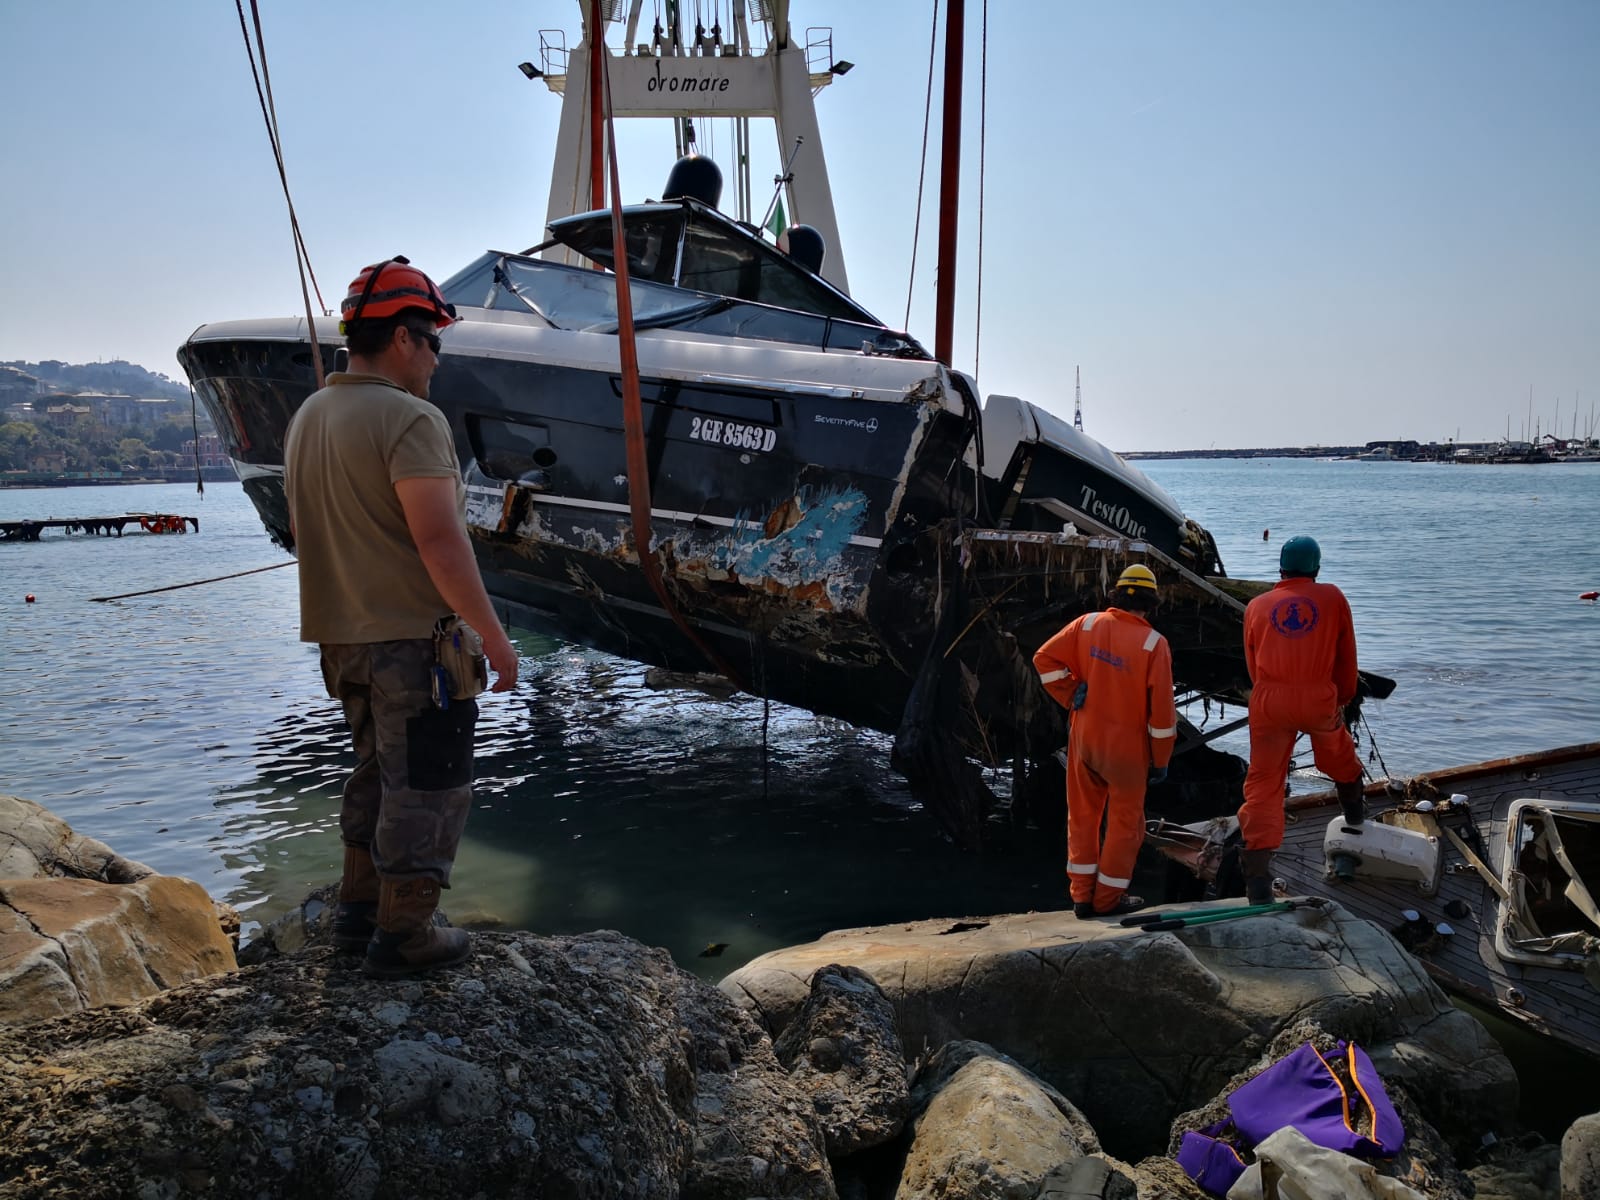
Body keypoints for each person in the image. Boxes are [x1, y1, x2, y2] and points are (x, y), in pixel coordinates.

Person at [284, 256, 520, 978]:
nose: (438, 362)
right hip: (411, 642)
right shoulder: (411, 419)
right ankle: (407, 933)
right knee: (430, 780)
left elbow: (304, 530)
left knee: (375, 773)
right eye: (435, 343)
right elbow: (440, 544)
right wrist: (495, 639)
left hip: (341, 638)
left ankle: (358, 914)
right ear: (404, 339)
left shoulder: (309, 416)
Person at [1034, 564, 1178, 918]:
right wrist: (1161, 760)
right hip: (1127, 751)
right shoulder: (1153, 644)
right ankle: (1108, 900)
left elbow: (1044, 659)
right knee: (1125, 826)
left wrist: (1069, 692)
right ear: (1151, 602)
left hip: (1084, 740)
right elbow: (1161, 717)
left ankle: (1081, 897)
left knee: (1082, 818)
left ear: (1116, 594)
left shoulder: (1087, 624)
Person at [1238, 536, 1365, 904]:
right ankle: (1354, 814)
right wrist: (1343, 696)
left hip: (1268, 699)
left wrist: (1267, 695)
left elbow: (1251, 661)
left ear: (1280, 568)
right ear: (1316, 568)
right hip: (1316, 696)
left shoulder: (1257, 605)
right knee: (1335, 754)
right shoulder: (1332, 597)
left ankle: (1258, 880)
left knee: (1263, 783)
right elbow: (1346, 656)